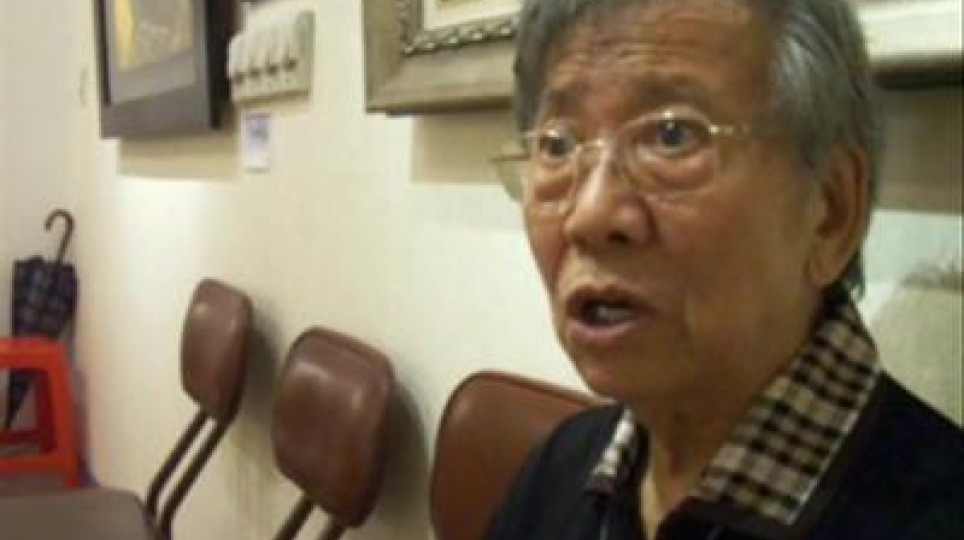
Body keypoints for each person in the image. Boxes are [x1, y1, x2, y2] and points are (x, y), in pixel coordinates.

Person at [487, 0, 964, 538]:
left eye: (672, 135)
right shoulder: (560, 468)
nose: (589, 215)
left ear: (831, 212)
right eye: (557, 145)